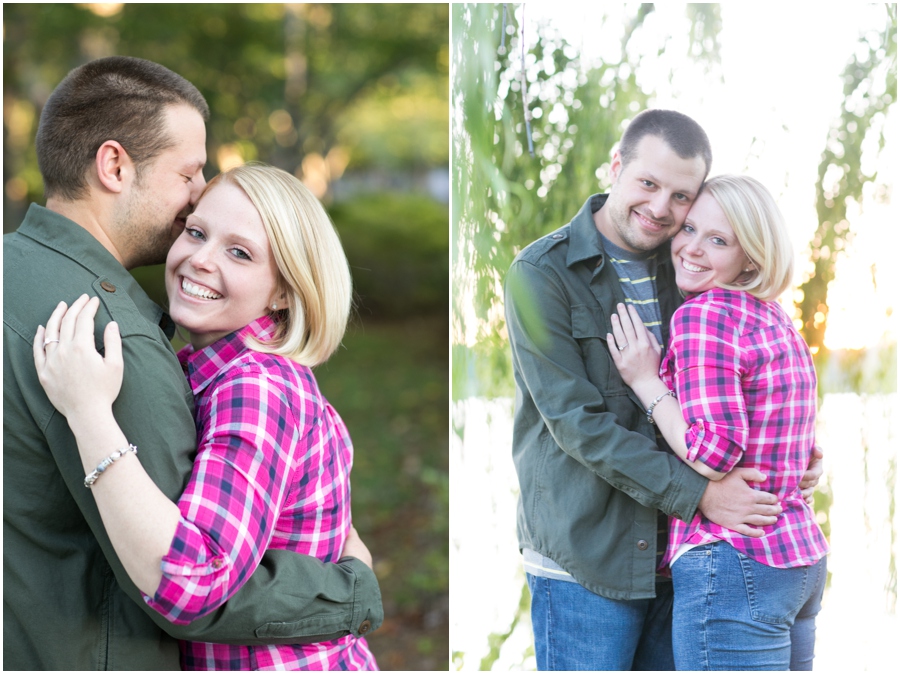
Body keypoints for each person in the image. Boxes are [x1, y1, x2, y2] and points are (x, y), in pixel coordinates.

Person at [3, 56, 381, 671]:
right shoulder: (120, 337)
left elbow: (192, 577)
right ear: (114, 165)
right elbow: (196, 575)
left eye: (240, 251)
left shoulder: (254, 385)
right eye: (190, 179)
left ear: (285, 288)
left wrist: (90, 412)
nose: (193, 199)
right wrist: (351, 589)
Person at [504, 109, 822, 671]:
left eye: (681, 197)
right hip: (590, 561)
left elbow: (736, 387)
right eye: (647, 184)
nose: (661, 209)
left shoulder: (690, 265)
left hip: (684, 556)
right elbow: (580, 424)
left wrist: (790, 456)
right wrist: (702, 495)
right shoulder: (541, 273)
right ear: (616, 166)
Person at [607, 174, 828, 670]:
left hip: (734, 562)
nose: (692, 249)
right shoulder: (776, 318)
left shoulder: (703, 317)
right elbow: (798, 441)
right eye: (689, 230)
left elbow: (714, 454)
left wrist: (645, 380)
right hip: (799, 558)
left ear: (750, 255)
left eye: (718, 240)